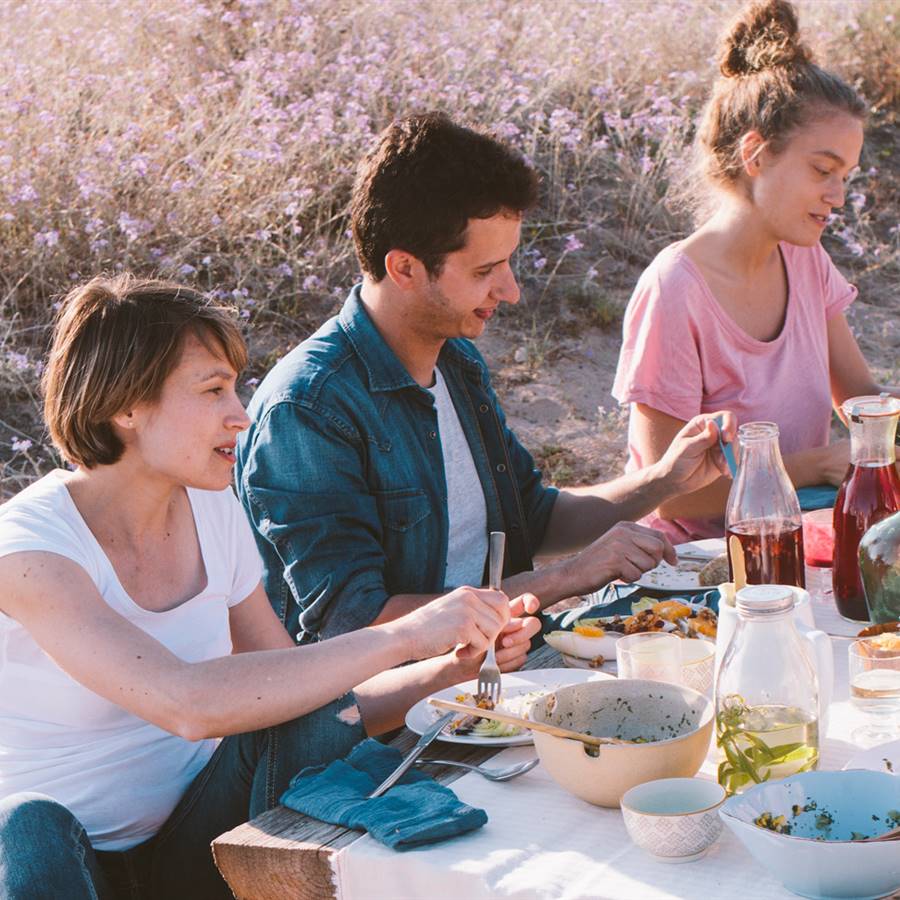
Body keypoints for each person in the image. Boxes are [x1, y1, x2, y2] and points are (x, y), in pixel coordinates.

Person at [0, 276, 520, 900]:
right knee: (25, 821)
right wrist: (406, 635)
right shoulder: (30, 549)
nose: (239, 414)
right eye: (213, 389)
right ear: (127, 406)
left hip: (189, 846)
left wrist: (450, 669)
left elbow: (303, 699)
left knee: (296, 707)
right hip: (58, 871)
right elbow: (184, 703)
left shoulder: (212, 509)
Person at [235, 111, 736, 645]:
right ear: (404, 269)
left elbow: (533, 517)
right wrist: (561, 580)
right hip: (386, 718)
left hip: (497, 668)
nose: (511, 290)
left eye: (508, 263)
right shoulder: (308, 409)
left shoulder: (455, 361)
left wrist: (663, 481)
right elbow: (352, 621)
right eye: (484, 271)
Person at [612, 0, 899, 542]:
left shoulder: (806, 258)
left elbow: (862, 399)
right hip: (693, 572)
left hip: (796, 537)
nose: (837, 197)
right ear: (756, 154)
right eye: (822, 170)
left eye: (846, 176)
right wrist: (814, 465)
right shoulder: (675, 289)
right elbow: (671, 496)